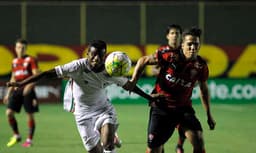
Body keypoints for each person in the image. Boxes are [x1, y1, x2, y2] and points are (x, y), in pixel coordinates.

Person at [7, 40, 156, 153]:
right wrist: (21, 84)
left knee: (107, 144)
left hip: (103, 109)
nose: (96, 58)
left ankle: (110, 137)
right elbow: (46, 73)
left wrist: (150, 98)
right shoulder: (77, 66)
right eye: (93, 54)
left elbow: (130, 86)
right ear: (87, 54)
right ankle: (110, 137)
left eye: (100, 55)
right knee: (94, 150)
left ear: (105, 56)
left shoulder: (110, 70)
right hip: (82, 114)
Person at [130, 27, 216, 153]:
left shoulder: (201, 66)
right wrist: (133, 81)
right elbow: (143, 60)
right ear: (182, 45)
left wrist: (209, 114)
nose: (193, 47)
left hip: (183, 109)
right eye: (189, 44)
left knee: (198, 141)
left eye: (196, 44)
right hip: (162, 107)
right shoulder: (170, 56)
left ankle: (179, 146)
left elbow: (204, 90)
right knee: (155, 148)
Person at [151, 24, 187, 153]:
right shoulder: (161, 51)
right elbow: (153, 69)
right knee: (159, 129)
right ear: (167, 36)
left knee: (183, 125)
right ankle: (161, 147)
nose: (175, 36)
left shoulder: (185, 52)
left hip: (180, 95)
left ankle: (179, 145)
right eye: (172, 33)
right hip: (162, 95)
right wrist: (166, 70)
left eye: (177, 33)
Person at [3, 39, 40, 147]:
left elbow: (36, 76)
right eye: (19, 47)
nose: (21, 50)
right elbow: (13, 78)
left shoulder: (31, 60)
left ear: (26, 49)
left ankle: (29, 140)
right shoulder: (14, 61)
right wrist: (8, 94)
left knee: (30, 115)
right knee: (9, 113)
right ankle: (17, 135)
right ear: (15, 48)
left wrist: (29, 86)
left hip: (27, 91)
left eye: (23, 48)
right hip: (17, 90)